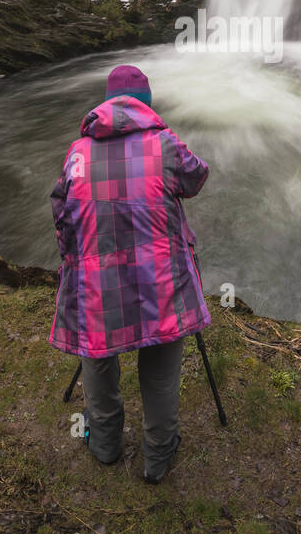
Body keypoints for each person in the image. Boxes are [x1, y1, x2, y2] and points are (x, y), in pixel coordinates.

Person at [49, 64, 210, 484]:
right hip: (159, 283)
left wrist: (75, 262)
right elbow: (197, 178)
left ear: (105, 104)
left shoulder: (77, 153)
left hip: (98, 284)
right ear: (147, 104)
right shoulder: (165, 145)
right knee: (159, 366)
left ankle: (104, 442)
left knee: (99, 356)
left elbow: (61, 215)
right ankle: (158, 454)